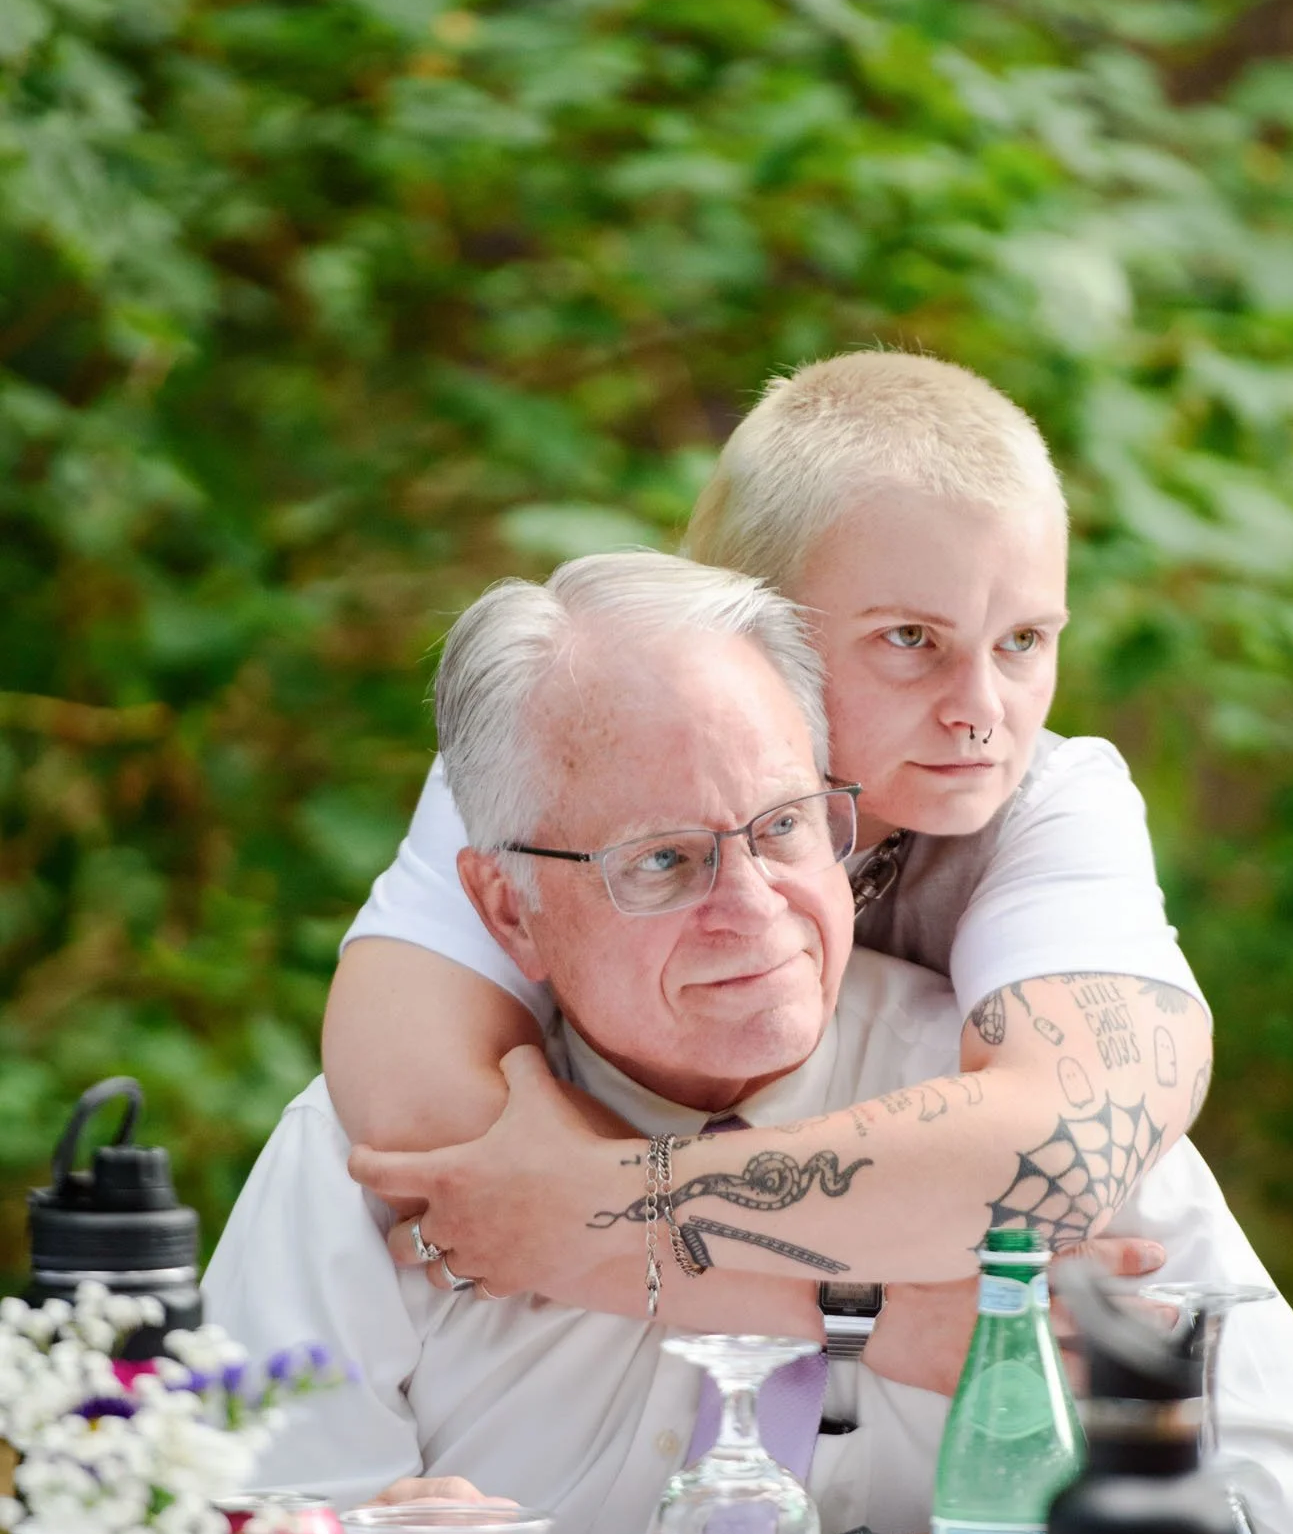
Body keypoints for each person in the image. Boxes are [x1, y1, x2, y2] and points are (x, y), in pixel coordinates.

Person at [207, 553, 1293, 1534]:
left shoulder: (1027, 1120)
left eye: (784, 827)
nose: (757, 906)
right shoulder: (391, 1157)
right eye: (663, 862)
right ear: (508, 907)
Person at [325, 352, 1213, 1297]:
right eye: (910, 640)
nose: (982, 711)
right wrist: (868, 1327)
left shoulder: (1050, 803)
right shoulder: (561, 742)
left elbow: (1066, 1149)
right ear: (745, 614)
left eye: (1024, 641)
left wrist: (618, 1209)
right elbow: (422, 1121)